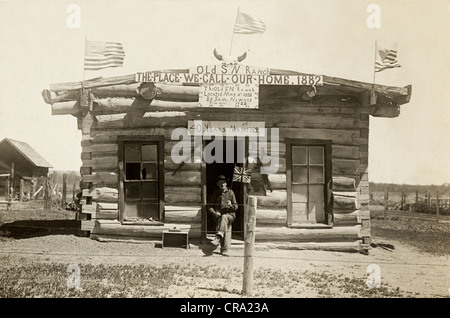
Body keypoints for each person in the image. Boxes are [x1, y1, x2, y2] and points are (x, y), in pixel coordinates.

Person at [207, 175, 238, 256]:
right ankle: (225, 250)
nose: (222, 185)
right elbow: (209, 206)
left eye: (224, 183)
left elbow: (236, 207)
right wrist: (214, 213)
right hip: (219, 216)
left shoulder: (231, 192)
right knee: (224, 225)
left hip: (230, 215)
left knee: (224, 218)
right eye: (220, 183)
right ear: (217, 184)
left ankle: (218, 237)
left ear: (226, 184)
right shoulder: (216, 193)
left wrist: (231, 205)